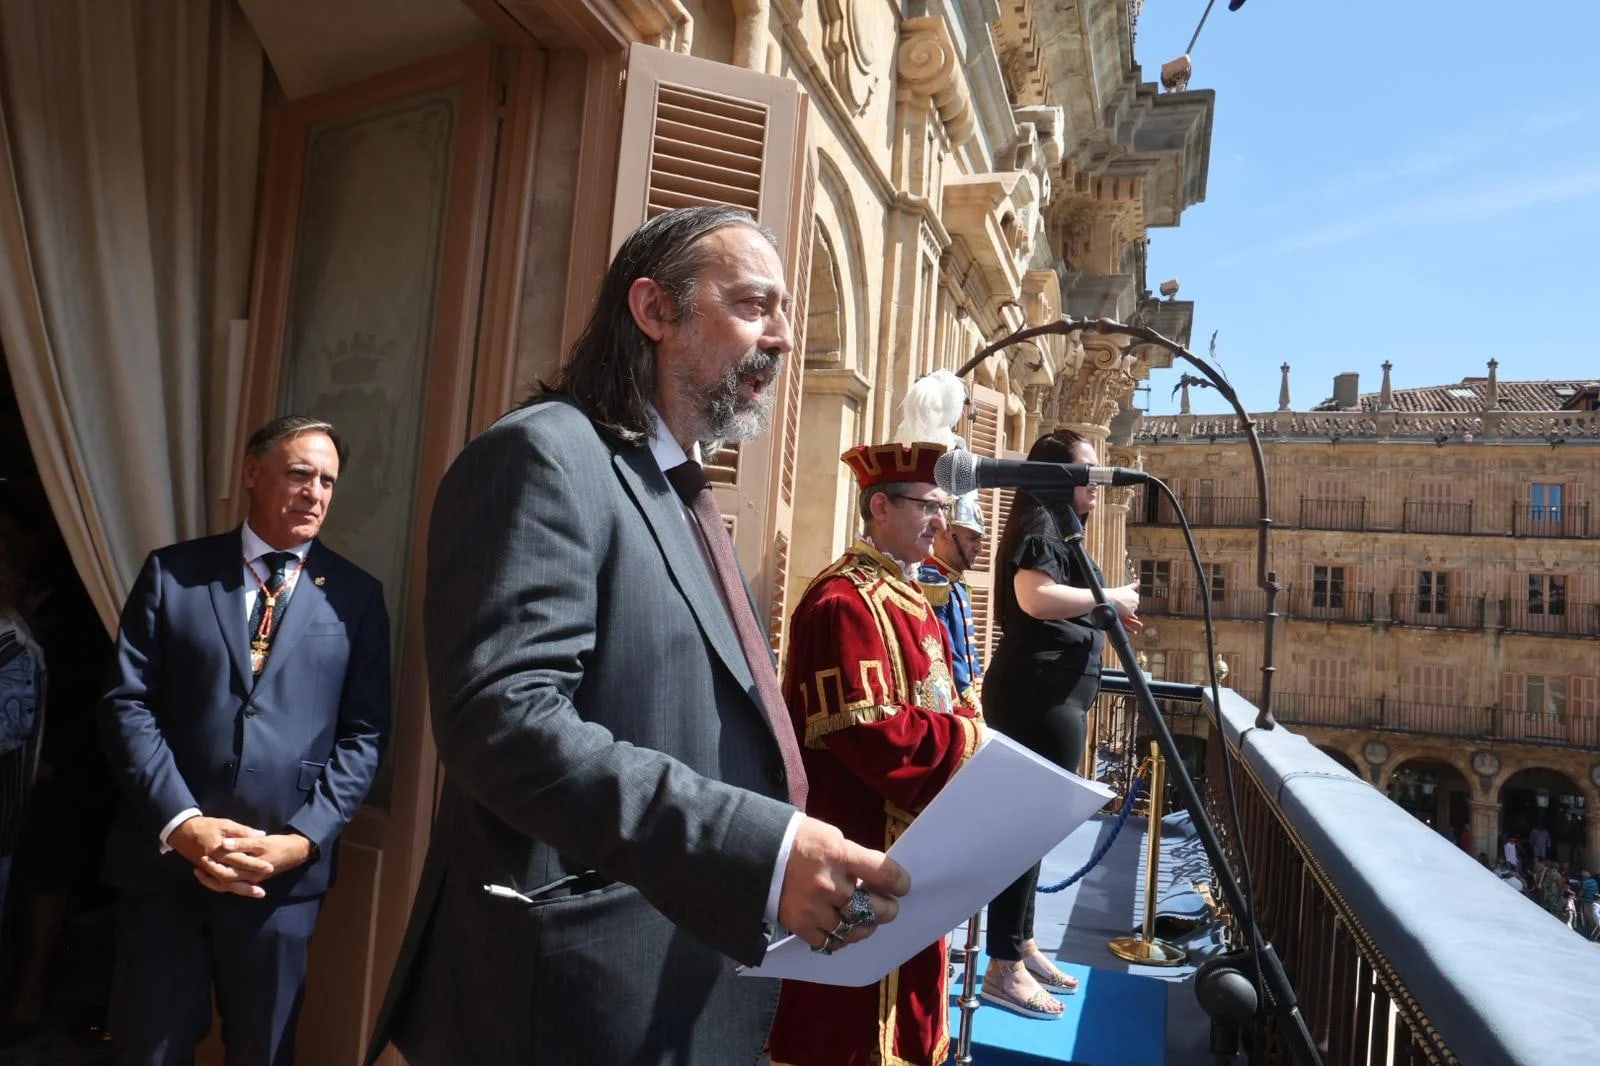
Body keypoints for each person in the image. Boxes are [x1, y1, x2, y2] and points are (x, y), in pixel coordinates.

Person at [366, 206, 910, 1066]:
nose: (783, 339)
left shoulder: (679, 491)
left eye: (785, 315)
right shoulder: (542, 456)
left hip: (685, 982)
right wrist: (758, 850)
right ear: (655, 311)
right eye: (753, 306)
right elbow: (503, 723)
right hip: (570, 1003)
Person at [99, 415, 391, 1065]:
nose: (314, 491)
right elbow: (127, 705)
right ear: (252, 474)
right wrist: (183, 824)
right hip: (168, 867)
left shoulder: (355, 596)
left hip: (278, 882)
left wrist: (299, 840)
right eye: (298, 473)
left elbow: (364, 734)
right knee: (148, 1047)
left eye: (327, 481)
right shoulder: (174, 574)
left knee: (263, 1051)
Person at [767, 441, 984, 1066]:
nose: (941, 523)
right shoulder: (844, 600)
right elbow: (878, 735)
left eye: (943, 508)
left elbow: (951, 700)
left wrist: (964, 729)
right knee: (844, 1028)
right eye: (929, 507)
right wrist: (973, 743)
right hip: (858, 843)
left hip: (915, 841)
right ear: (881, 506)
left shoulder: (916, 597)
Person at [977, 428, 1142, 1020]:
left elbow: (1066, 600)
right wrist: (1116, 596)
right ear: (1058, 477)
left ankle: (1020, 942)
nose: (1097, 483)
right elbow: (1036, 597)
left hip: (1054, 697)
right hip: (1037, 698)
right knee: (1024, 828)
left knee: (1037, 828)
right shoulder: (1040, 525)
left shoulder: (1056, 526)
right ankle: (1003, 966)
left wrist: (1101, 608)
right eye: (1088, 471)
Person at [918, 491, 987, 706]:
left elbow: (969, 652)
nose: (979, 547)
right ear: (947, 534)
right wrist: (966, 694)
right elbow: (944, 649)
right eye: (972, 538)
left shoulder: (956, 584)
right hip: (947, 697)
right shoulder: (930, 582)